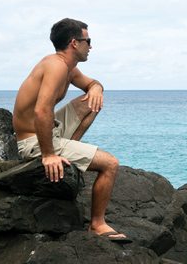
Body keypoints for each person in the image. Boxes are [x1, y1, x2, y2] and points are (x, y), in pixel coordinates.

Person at [12, 18, 130, 243]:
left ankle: (70, 149)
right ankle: (97, 224)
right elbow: (41, 111)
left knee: (91, 100)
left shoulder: (69, 68)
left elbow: (93, 84)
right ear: (74, 43)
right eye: (88, 40)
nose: (91, 46)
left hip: (49, 131)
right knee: (110, 164)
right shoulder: (55, 66)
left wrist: (96, 88)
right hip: (33, 141)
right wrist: (48, 155)